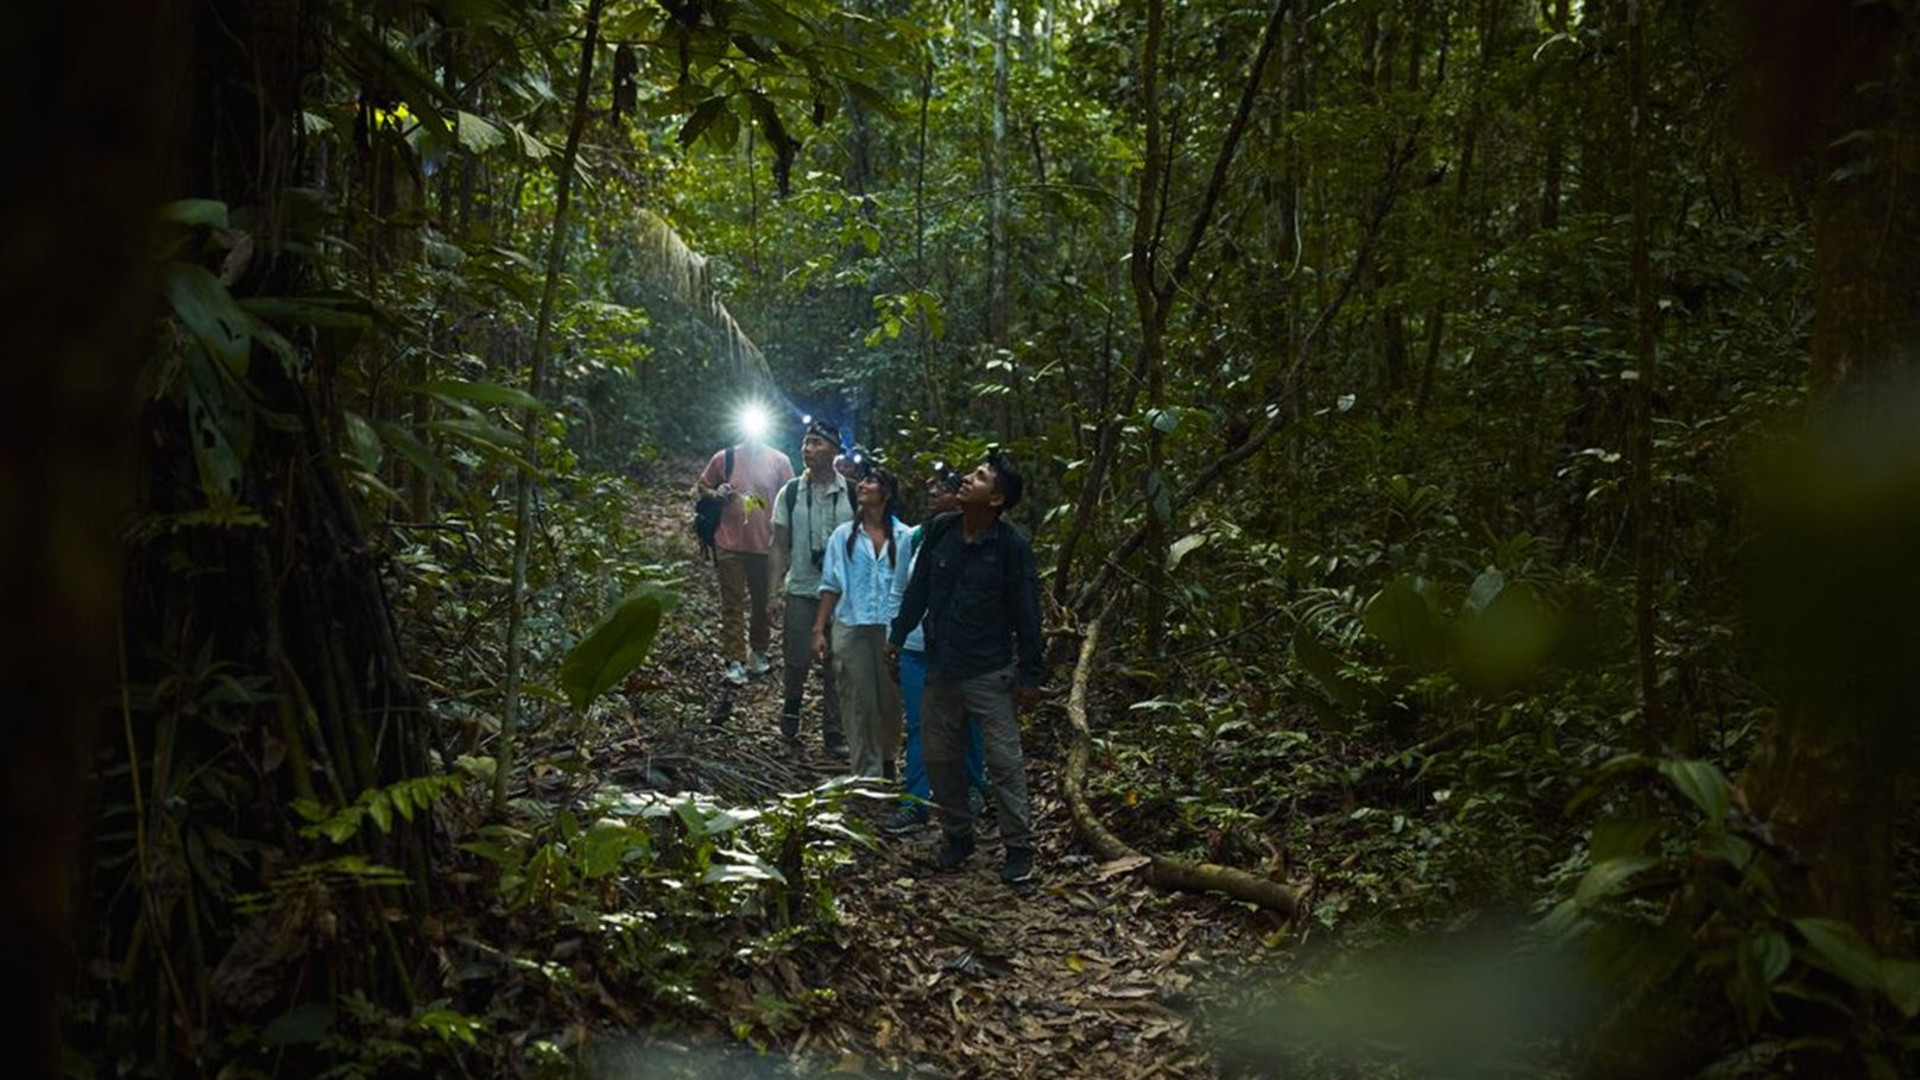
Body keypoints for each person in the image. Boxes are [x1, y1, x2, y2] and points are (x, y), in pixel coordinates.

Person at [888, 452, 1045, 885]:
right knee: (939, 757)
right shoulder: (942, 529)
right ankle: (957, 835)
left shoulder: (1011, 547)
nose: (966, 479)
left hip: (989, 671)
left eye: (979, 477)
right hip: (941, 666)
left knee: (1004, 760)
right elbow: (919, 590)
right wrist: (897, 637)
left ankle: (1019, 847)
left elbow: (1028, 612)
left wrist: (1031, 675)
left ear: (996, 499)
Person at [882, 466, 988, 834]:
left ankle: (973, 788)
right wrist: (894, 637)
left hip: (962, 649)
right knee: (919, 724)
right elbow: (900, 590)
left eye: (942, 488)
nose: (932, 495)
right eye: (931, 488)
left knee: (968, 719)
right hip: (916, 648)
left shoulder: (984, 539)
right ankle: (915, 801)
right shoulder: (915, 538)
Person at [812, 465, 913, 779]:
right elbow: (831, 584)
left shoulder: (905, 536)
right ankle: (865, 773)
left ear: (887, 493)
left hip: (891, 631)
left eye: (872, 481)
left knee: (890, 701)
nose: (863, 485)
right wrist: (819, 629)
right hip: (851, 626)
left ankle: (887, 758)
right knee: (858, 701)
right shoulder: (844, 536)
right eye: (863, 480)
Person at [769, 419, 856, 752]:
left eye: (817, 443)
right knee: (796, 658)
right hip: (802, 589)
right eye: (806, 443)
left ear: (834, 451)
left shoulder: (852, 493)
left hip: (843, 594)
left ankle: (834, 730)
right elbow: (779, 545)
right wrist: (773, 592)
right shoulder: (790, 492)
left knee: (839, 663)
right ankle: (792, 706)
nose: (808, 449)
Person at [694, 411, 793, 686]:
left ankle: (758, 651)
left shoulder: (779, 461)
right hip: (728, 541)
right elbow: (703, 486)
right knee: (732, 602)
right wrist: (716, 493)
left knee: (763, 602)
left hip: (766, 544)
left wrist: (789, 541)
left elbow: (791, 498)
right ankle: (734, 660)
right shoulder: (725, 458)